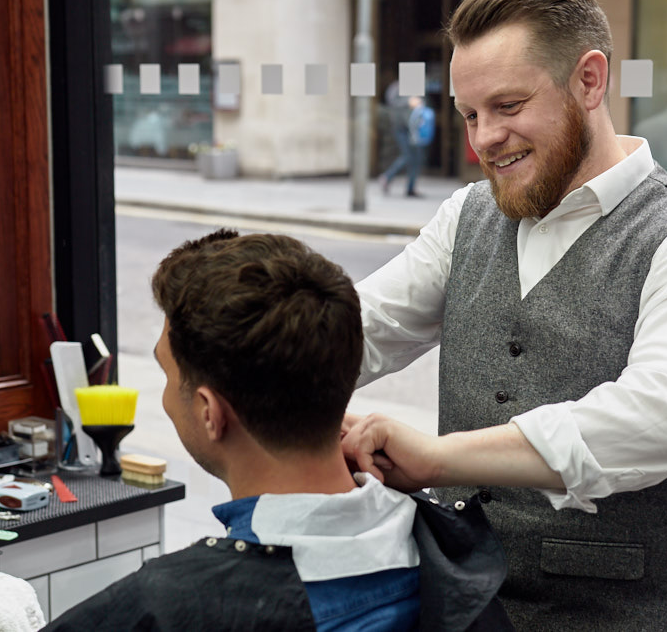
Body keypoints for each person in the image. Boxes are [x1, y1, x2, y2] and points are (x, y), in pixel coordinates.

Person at [343, 0, 667, 632]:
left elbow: (664, 415)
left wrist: (438, 458)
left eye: (508, 105)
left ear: (589, 81)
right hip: (459, 608)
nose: (484, 137)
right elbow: (360, 328)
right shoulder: (466, 215)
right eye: (470, 114)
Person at [45, 229, 511, 631]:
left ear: (209, 412)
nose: (166, 397)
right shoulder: (456, 560)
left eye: (168, 374)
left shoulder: (162, 609)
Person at [379, 95, 434, 197]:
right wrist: (408, 101)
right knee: (408, 156)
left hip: (416, 128)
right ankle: (387, 176)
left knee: (417, 158)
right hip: (402, 128)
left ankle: (410, 188)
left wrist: (420, 102)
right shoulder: (396, 89)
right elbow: (392, 101)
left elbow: (425, 103)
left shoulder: (420, 89)